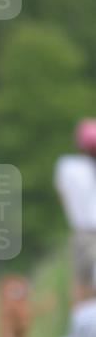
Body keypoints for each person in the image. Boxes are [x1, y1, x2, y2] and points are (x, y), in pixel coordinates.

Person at [54, 118, 96, 302]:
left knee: (81, 284)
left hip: (82, 232)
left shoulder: (67, 166)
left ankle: (81, 327)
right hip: (86, 230)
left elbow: (63, 197)